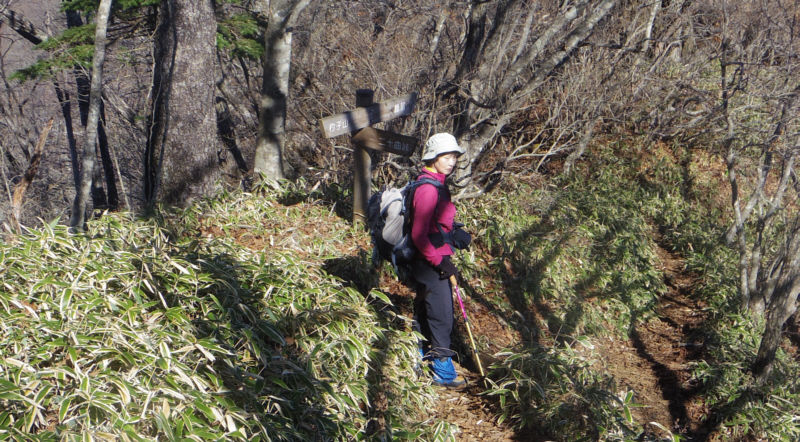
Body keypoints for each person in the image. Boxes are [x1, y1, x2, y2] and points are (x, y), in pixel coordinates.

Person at [410, 133, 471, 389]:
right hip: (429, 262)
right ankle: (443, 374)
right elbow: (418, 235)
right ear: (433, 157)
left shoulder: (436, 185)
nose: (452, 161)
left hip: (432, 259)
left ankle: (418, 363)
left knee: (426, 312)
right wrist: (441, 263)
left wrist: (454, 233)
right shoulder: (427, 189)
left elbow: (434, 224)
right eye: (446, 157)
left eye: (454, 156)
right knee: (441, 316)